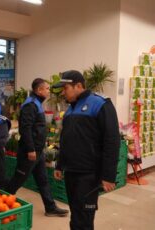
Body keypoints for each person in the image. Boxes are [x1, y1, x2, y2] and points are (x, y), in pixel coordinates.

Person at [52, 70, 120, 230]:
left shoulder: (100, 104)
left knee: (84, 218)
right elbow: (66, 140)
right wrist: (60, 165)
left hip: (88, 174)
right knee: (75, 214)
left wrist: (109, 176)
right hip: (71, 172)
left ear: (78, 86)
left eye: (65, 88)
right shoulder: (69, 111)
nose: (63, 92)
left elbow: (112, 141)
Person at [5, 78, 69, 217]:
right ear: (39, 90)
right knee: (18, 179)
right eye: (46, 88)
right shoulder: (30, 105)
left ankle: (50, 207)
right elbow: (25, 129)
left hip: (38, 151)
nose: (48, 91)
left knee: (43, 180)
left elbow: (37, 128)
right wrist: (30, 149)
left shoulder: (37, 103)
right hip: (30, 152)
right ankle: (2, 203)